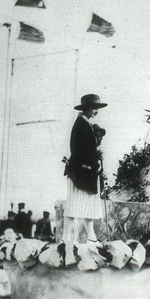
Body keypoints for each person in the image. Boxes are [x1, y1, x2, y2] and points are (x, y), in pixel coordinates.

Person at [63, 94, 107, 242]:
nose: (96, 112)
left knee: (88, 205)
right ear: (87, 108)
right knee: (74, 206)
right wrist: (96, 166)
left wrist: (95, 154)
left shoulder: (84, 123)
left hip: (82, 171)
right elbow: (82, 151)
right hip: (80, 172)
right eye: (95, 108)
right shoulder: (82, 125)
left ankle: (91, 237)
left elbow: (88, 149)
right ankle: (65, 238)